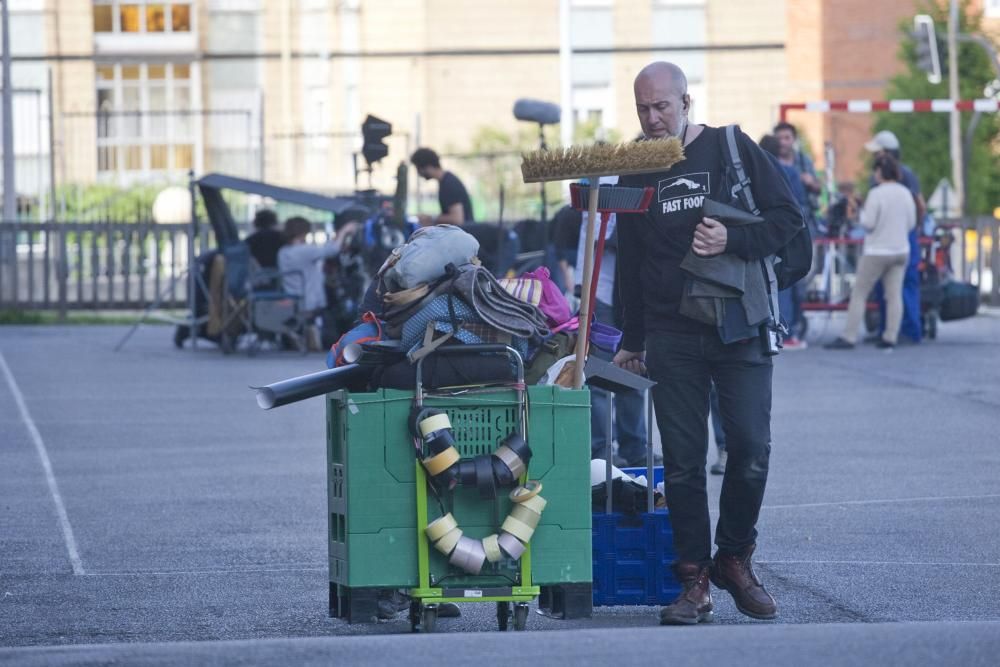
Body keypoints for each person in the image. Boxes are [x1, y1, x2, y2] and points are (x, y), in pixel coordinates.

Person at [613, 61, 802, 625]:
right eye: (643, 108)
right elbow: (631, 264)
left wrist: (733, 238)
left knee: (749, 449)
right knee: (683, 466)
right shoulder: (633, 170)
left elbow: (787, 218)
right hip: (671, 334)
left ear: (685, 102)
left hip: (737, 324)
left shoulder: (729, 147)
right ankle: (694, 579)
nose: (652, 118)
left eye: (661, 107)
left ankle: (735, 557)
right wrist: (631, 338)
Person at [574, 177, 648, 468]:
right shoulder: (602, 184)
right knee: (602, 375)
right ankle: (601, 449)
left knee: (632, 370)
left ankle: (635, 446)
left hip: (632, 295)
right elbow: (598, 237)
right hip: (602, 294)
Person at [824, 155, 916, 351]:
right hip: (901, 250)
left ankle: (849, 336)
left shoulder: (876, 194)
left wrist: (857, 213)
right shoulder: (906, 193)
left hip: (877, 251)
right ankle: (890, 336)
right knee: (894, 295)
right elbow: (912, 223)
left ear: (880, 172)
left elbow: (868, 223)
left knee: (859, 293)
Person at [863, 130, 926, 345]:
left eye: (878, 152)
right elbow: (919, 205)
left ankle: (906, 329)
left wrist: (914, 228)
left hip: (895, 236)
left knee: (902, 285)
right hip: (901, 235)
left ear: (887, 153)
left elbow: (919, 204)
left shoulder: (900, 175)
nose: (874, 157)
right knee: (894, 286)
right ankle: (890, 330)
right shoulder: (900, 174)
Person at [759, 134, 809, 350]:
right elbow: (799, 203)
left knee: (770, 282)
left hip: (763, 231)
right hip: (789, 234)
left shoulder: (754, 170)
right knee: (789, 281)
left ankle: (773, 326)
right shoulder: (788, 171)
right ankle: (789, 329)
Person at [277, 216, 341, 350]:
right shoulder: (304, 250)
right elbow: (332, 250)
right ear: (303, 232)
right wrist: (345, 231)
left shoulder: (282, 252)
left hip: (292, 296)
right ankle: (315, 336)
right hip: (310, 300)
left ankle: (302, 334)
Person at [410, 147, 475, 226]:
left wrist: (430, 218)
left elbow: (457, 219)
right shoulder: (445, 181)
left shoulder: (449, 184)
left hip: (462, 235)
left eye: (418, 169)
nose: (419, 173)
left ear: (428, 166)